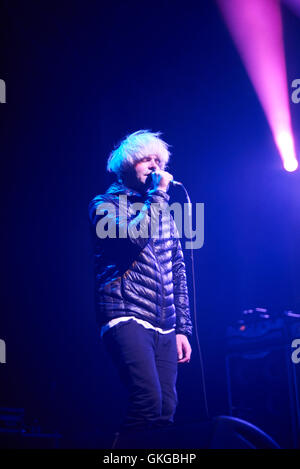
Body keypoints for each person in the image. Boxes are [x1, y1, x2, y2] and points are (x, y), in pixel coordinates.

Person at [88, 130, 192, 438]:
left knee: (166, 411)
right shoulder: (104, 205)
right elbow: (131, 240)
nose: (153, 166)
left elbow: (178, 269)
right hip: (126, 314)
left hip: (164, 325)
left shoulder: (164, 214)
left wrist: (182, 328)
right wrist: (157, 196)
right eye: (145, 159)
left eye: (158, 160)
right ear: (127, 165)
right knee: (147, 401)